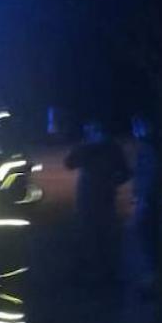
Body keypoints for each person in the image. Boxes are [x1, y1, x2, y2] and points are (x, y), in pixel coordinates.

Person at [65, 121, 131, 284]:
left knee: (98, 236)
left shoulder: (108, 148)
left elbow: (125, 172)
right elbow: (70, 163)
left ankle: (100, 273)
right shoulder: (106, 147)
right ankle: (96, 272)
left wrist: (114, 181)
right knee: (93, 236)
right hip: (92, 199)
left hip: (97, 199)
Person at [130, 115, 162, 291]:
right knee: (150, 235)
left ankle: (152, 276)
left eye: (137, 126)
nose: (134, 131)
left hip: (148, 200)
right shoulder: (157, 146)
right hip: (154, 198)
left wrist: (142, 199)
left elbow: (148, 175)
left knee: (146, 236)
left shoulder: (147, 148)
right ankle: (155, 275)